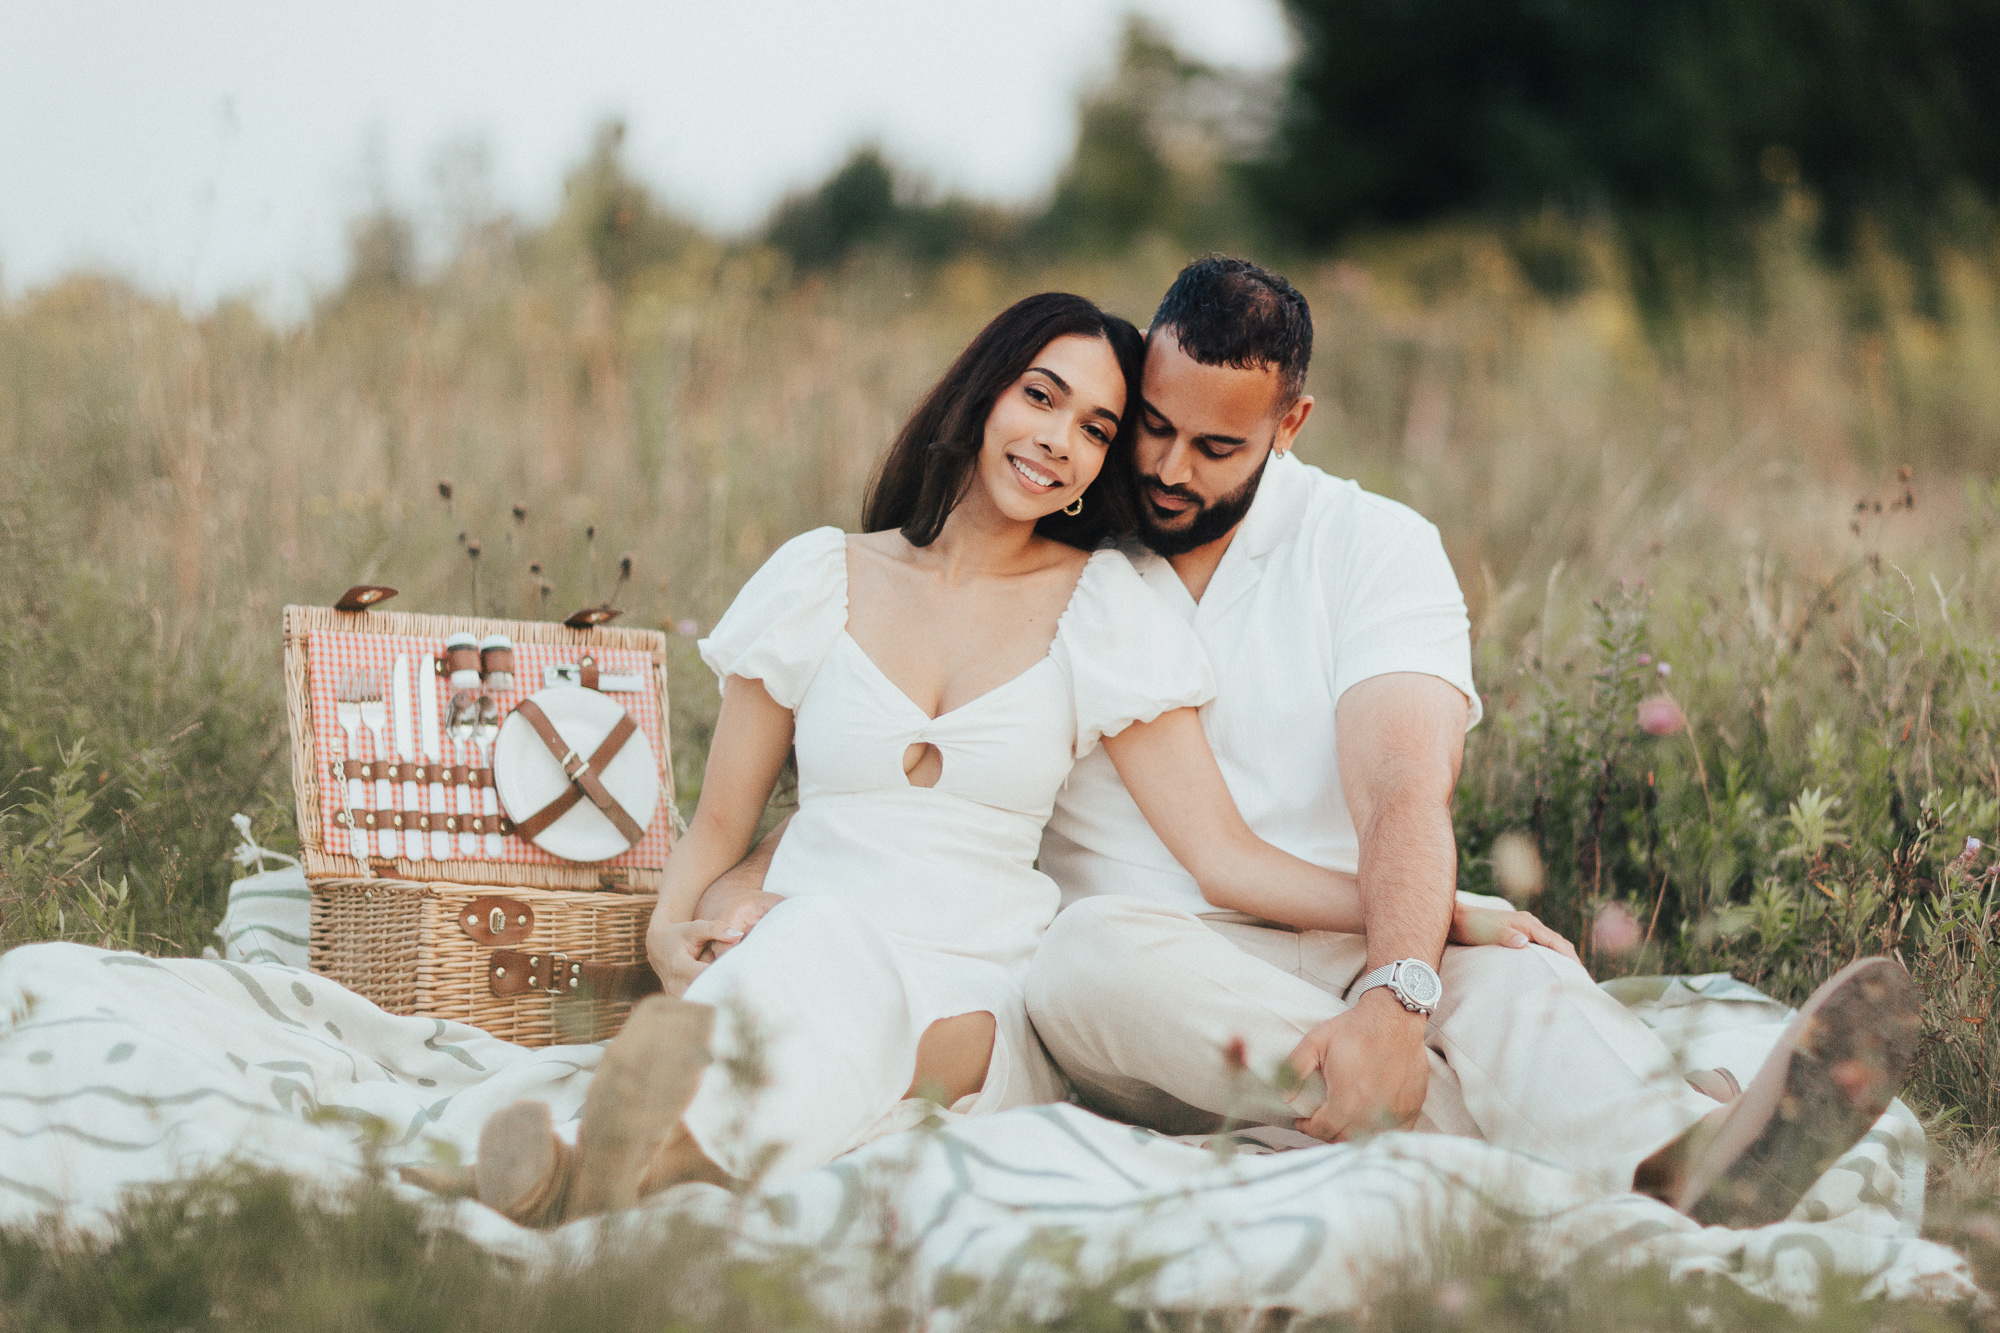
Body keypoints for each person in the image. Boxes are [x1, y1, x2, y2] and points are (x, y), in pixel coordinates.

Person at [705, 258, 1922, 1230]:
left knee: (1509, 985)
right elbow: (899, 778)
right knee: (1087, 956)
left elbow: (1401, 784)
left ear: (1290, 421)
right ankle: (1617, 1149)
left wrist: (1404, 970)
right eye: (1152, 429)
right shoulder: (1072, 551)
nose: (1168, 469)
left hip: (1348, 931)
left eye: (1216, 446)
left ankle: (1688, 1155)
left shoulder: (1371, 546)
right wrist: (750, 882)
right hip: (1143, 977)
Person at [466, 291, 1558, 1227]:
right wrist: (670, 926)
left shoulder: (1104, 606)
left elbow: (1222, 857)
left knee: (846, 989)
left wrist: (1434, 909)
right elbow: (722, 823)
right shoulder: (817, 578)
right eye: (1039, 396)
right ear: (981, 391)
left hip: (976, 979)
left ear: (1099, 463)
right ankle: (613, 1155)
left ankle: (619, 1158)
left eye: (1094, 426)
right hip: (802, 937)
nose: (1056, 439)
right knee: (812, 953)